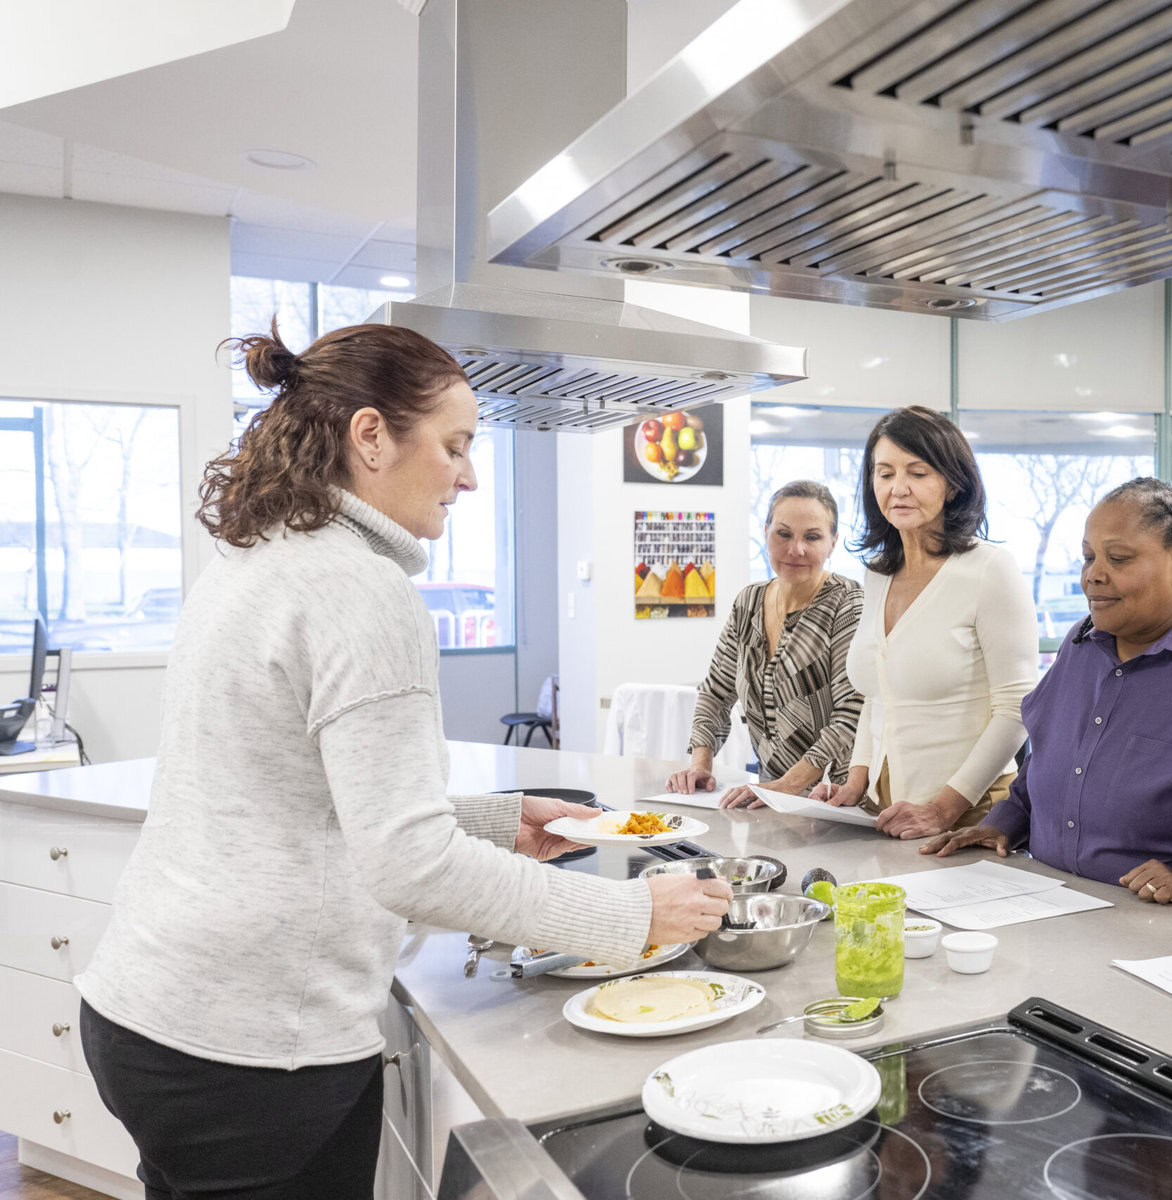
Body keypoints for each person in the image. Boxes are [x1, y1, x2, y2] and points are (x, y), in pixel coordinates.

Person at [75, 322, 730, 1199]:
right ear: (371, 435)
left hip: (153, 1014)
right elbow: (411, 865)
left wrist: (497, 821)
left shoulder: (258, 553)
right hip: (253, 1048)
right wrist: (630, 914)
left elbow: (288, 797)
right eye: (456, 445)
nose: (469, 476)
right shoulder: (360, 588)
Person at [921, 479, 1172, 908]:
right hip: (1044, 908)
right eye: (1088, 557)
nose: (1093, 574)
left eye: (1118, 558)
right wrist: (1005, 821)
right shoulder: (1080, 645)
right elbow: (1049, 758)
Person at [813, 406, 1037, 839]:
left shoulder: (989, 569)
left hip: (971, 814)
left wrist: (942, 809)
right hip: (886, 808)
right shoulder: (878, 574)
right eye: (885, 473)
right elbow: (878, 699)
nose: (899, 488)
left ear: (953, 484)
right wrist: (855, 782)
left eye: (917, 473)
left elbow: (1016, 710)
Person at [669, 481, 863, 808]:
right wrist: (700, 764)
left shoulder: (848, 603)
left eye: (812, 537)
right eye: (784, 534)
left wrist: (788, 785)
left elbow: (851, 714)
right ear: (766, 532)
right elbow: (715, 693)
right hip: (770, 799)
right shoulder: (749, 602)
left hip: (835, 802)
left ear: (833, 543)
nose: (795, 549)